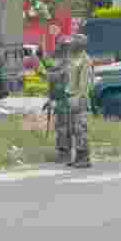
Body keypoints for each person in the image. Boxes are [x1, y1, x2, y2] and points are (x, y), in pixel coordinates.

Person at [44, 35, 72, 163]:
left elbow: (55, 81)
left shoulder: (65, 63)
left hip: (65, 99)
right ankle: (66, 152)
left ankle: (64, 153)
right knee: (66, 126)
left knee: (63, 127)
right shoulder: (66, 62)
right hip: (66, 99)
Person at [66, 34, 93, 168]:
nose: (71, 45)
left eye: (73, 43)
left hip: (79, 98)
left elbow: (85, 83)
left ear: (80, 45)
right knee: (73, 130)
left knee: (80, 128)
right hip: (70, 97)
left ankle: (84, 158)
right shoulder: (72, 58)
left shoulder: (85, 60)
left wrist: (81, 98)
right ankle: (77, 157)